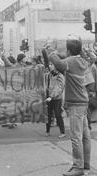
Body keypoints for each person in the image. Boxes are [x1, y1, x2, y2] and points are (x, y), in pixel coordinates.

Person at [46, 35, 91, 176]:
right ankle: (85, 165)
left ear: (69, 50)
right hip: (83, 102)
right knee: (85, 136)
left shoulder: (70, 61)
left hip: (76, 104)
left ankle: (78, 168)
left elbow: (56, 62)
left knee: (76, 136)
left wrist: (50, 50)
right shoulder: (83, 61)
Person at [45, 62, 66, 138]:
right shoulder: (49, 74)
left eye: (52, 64)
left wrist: (51, 96)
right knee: (48, 115)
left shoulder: (60, 76)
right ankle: (47, 131)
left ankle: (62, 132)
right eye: (49, 64)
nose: (50, 65)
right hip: (49, 98)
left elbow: (59, 88)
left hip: (57, 99)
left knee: (58, 115)